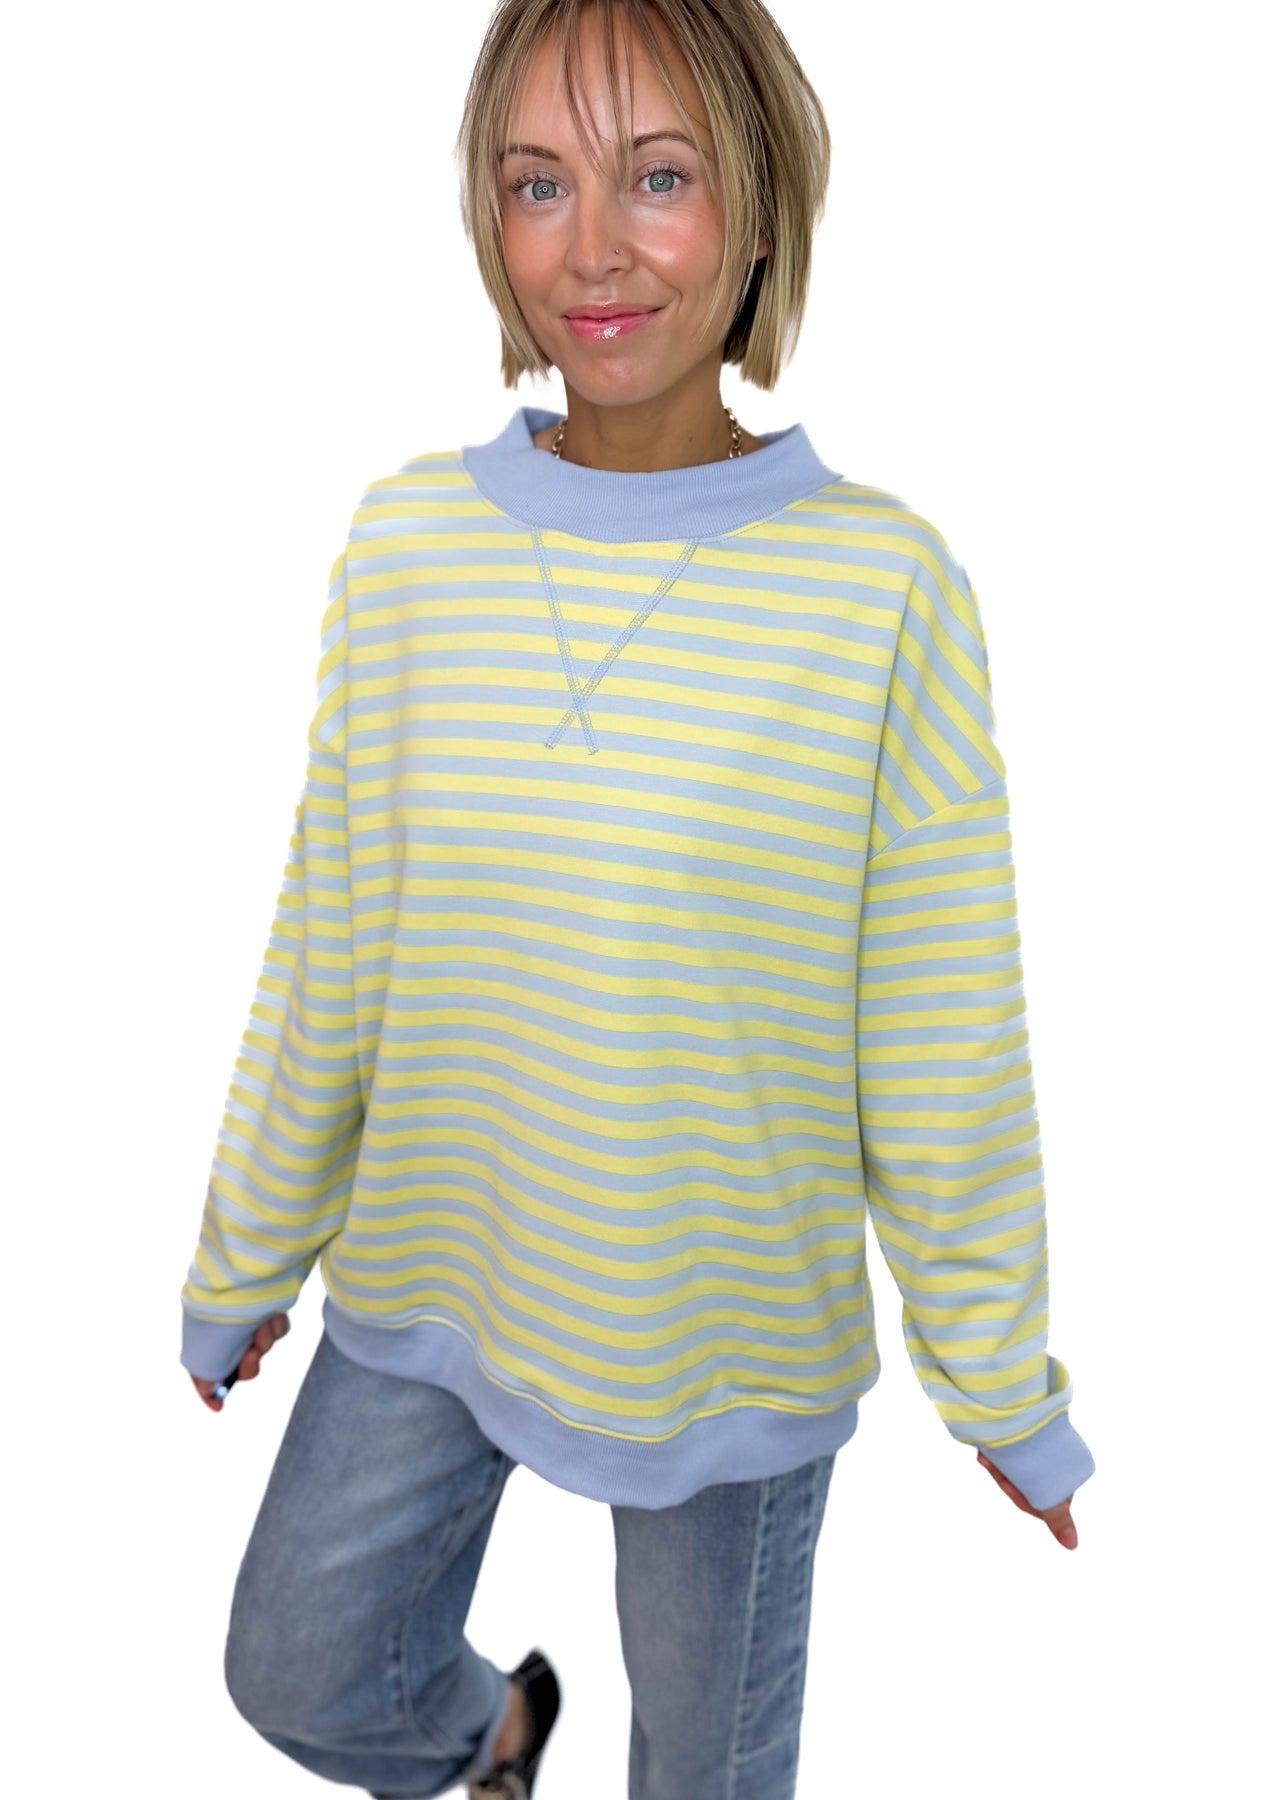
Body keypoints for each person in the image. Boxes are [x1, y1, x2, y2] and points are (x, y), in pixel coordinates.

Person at [180, 2, 1098, 1795]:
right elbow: (330, 944)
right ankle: (495, 1739)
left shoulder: (878, 590)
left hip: (720, 1331)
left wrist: (999, 1383)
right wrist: (248, 1246)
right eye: (538, 184)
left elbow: (939, 1031)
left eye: (656, 178)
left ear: (758, 209)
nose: (590, 245)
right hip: (442, 1265)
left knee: (705, 1772)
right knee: (293, 1664)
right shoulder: (406, 547)